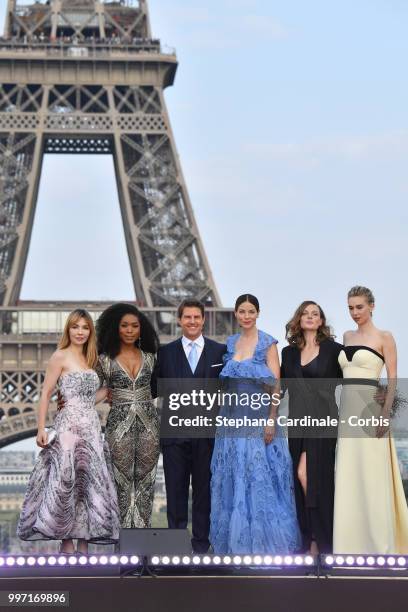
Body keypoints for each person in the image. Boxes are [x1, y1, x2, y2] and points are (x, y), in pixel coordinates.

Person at [17, 309, 120, 554]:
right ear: (68, 330)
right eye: (75, 327)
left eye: (85, 327)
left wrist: (107, 392)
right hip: (68, 428)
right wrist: (41, 428)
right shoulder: (59, 357)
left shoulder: (93, 359)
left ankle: (84, 541)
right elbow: (45, 393)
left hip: (91, 427)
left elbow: (87, 398)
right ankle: (66, 541)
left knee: (88, 483)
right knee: (66, 481)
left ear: (90, 331)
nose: (80, 332)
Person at [210, 294, 301, 554]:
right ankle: (237, 546)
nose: (246, 316)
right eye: (242, 311)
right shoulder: (230, 343)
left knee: (260, 479)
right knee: (235, 478)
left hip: (259, 419)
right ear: (236, 314)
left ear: (258, 313)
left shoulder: (268, 343)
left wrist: (271, 419)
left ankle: (265, 547)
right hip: (231, 421)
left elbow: (276, 384)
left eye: (251, 311)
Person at [333, 286, 408, 554]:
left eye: (359, 307)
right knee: (349, 477)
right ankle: (349, 547)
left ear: (372, 306)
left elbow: (393, 379)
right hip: (347, 415)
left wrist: (385, 415)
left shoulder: (385, 337)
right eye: (351, 307)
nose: (355, 312)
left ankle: (381, 546)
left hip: (371, 414)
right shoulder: (347, 335)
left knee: (373, 478)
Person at [152, 299, 226, 553]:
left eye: (197, 317)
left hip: (208, 435)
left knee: (204, 494)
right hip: (175, 435)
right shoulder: (165, 353)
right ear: (179, 320)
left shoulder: (220, 352)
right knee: (175, 492)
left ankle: (202, 547)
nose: (192, 321)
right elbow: (152, 389)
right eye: (187, 317)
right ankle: (176, 548)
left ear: (203, 319)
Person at [281, 301, 343, 554]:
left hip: (323, 421)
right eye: (305, 313)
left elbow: (355, 376)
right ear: (299, 319)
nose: (310, 317)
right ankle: (310, 540)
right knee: (302, 480)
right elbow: (280, 387)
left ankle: (319, 541)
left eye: (315, 314)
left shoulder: (334, 350)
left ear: (321, 321)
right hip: (297, 423)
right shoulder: (288, 353)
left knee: (309, 476)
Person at [96, 303, 160, 528]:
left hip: (149, 426)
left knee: (146, 483)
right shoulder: (103, 360)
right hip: (118, 426)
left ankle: (143, 542)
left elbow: (163, 388)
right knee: (120, 483)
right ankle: (123, 545)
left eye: (135, 326)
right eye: (125, 326)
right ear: (116, 328)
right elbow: (90, 390)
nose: (130, 330)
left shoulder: (152, 358)